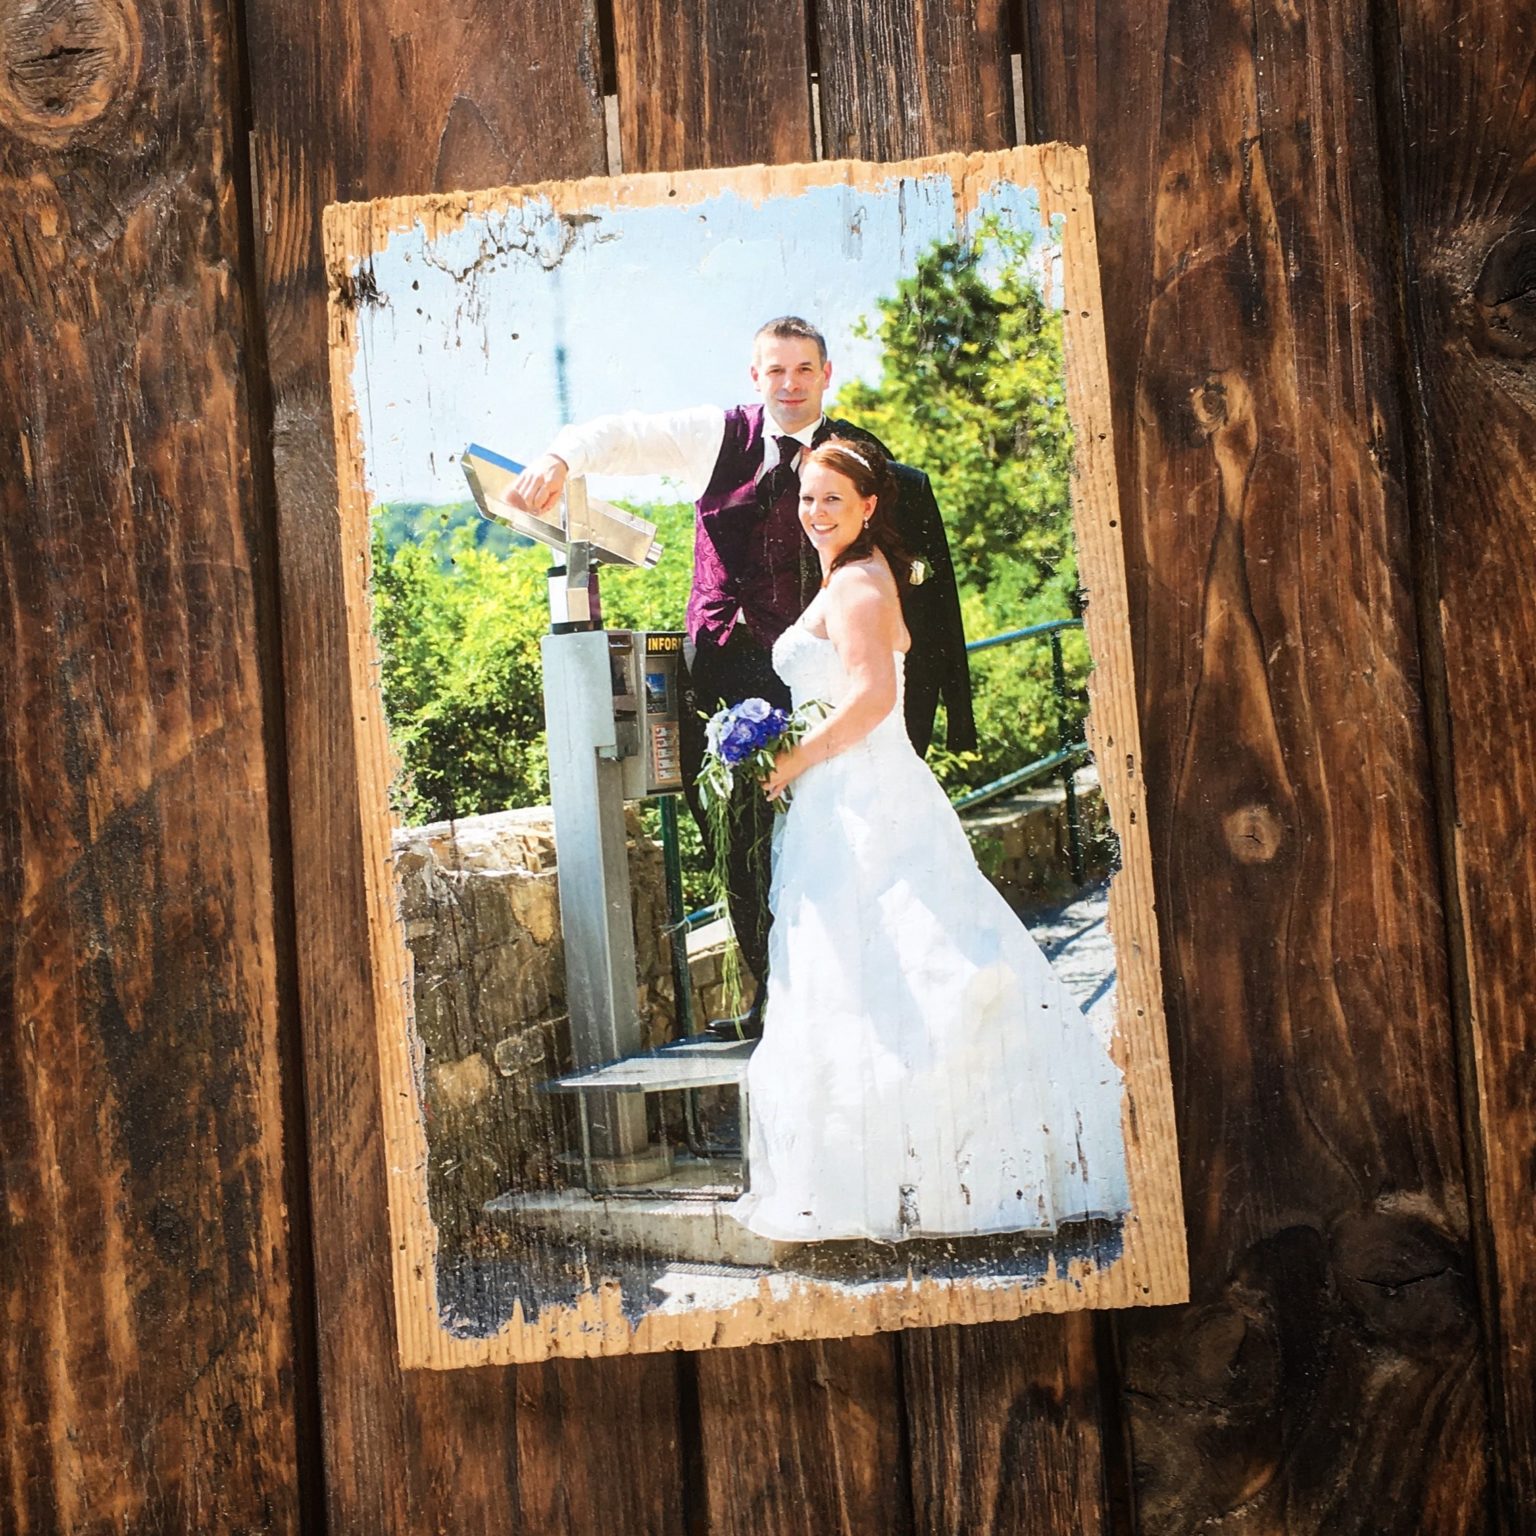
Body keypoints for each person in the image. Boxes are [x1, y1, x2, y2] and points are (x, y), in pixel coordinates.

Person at [502, 317, 974, 1038]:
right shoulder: (717, 436)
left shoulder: (855, 460)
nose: (788, 384)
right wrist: (561, 457)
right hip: (720, 675)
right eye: (774, 371)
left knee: (830, 843)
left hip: (809, 678)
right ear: (755, 376)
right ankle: (773, 994)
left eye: (803, 370)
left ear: (825, 375)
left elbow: (912, 589)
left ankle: (855, 1000)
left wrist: (921, 716)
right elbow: (625, 434)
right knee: (737, 843)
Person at [733, 438, 1129, 1242]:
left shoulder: (859, 586)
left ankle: (929, 1180)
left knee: (900, 966)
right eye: (807, 499)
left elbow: (875, 697)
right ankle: (893, 1174)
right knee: (859, 974)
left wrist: (791, 761)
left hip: (863, 795)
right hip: (839, 796)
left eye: (832, 500)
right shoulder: (849, 575)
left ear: (869, 506)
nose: (816, 514)